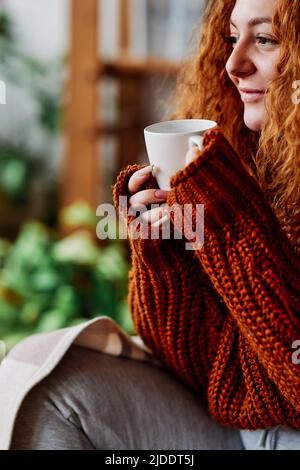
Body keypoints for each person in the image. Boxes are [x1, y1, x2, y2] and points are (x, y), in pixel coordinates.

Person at [10, 0, 299, 450]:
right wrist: (162, 254)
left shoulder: (241, 194)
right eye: (231, 37)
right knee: (42, 381)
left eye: (264, 39)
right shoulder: (254, 158)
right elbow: (192, 365)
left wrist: (234, 221)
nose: (233, 64)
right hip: (239, 427)